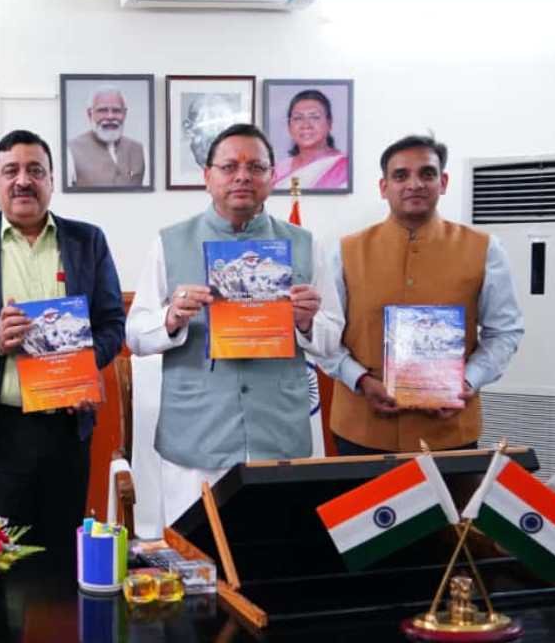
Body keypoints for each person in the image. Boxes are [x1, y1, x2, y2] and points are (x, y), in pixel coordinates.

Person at [125, 123, 340, 527]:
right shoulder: (169, 243)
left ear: (272, 176)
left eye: (255, 167)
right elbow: (135, 335)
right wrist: (171, 318)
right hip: (197, 435)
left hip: (277, 433)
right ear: (207, 177)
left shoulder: (305, 244)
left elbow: (331, 339)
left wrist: (308, 322)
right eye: (229, 167)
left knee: (273, 549)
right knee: (197, 552)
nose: (242, 176)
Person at [0, 129, 126, 553]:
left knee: (61, 556)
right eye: (11, 170)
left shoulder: (88, 241)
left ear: (51, 179)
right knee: (0, 555)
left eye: (35, 170)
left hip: (68, 426)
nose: (23, 181)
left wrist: (87, 365)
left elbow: (112, 324)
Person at [314, 134, 524, 455]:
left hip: (450, 433)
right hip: (362, 428)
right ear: (384, 187)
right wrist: (361, 381)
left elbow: (504, 331)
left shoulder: (484, 249)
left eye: (427, 173)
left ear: (443, 182)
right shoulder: (344, 252)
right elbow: (324, 335)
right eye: (401, 175)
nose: (415, 184)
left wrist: (468, 382)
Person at [68, 85, 145, 187]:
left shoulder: (140, 150)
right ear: (90, 114)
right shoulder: (70, 150)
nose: (110, 117)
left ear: (125, 114)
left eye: (116, 111)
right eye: (102, 110)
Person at [272, 89, 349, 190]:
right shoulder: (278, 171)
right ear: (289, 126)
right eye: (298, 118)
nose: (306, 125)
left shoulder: (345, 167)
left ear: (329, 124)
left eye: (314, 117)